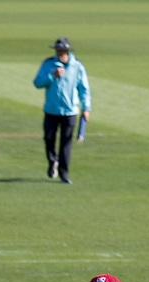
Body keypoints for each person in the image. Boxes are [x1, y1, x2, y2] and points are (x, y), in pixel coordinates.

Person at [33, 38, 90, 184]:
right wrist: (52, 75)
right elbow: (37, 83)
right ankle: (53, 161)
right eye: (58, 50)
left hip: (70, 111)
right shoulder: (48, 64)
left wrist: (86, 108)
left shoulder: (77, 67)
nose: (59, 53)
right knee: (49, 139)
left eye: (62, 51)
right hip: (51, 110)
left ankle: (64, 173)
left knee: (66, 143)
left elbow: (84, 89)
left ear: (67, 52)